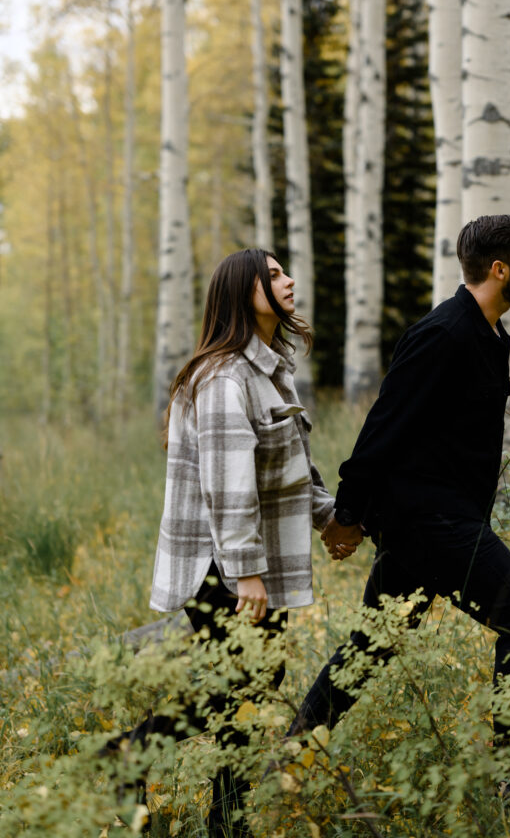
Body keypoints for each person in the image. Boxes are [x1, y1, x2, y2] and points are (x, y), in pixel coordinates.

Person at [286, 214, 510, 758]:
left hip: (439, 518)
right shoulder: (443, 334)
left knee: (372, 645)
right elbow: (384, 428)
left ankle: (288, 756)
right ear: (501, 269)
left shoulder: (489, 332)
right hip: (433, 520)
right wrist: (349, 517)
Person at [104, 249, 336, 838]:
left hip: (245, 565)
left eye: (286, 270)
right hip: (224, 567)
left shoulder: (269, 367)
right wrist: (246, 574)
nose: (288, 281)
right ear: (243, 290)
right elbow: (227, 484)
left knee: (250, 688)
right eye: (275, 274)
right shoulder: (226, 378)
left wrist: (331, 518)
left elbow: (289, 469)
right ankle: (143, 768)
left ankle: (216, 814)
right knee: (239, 692)